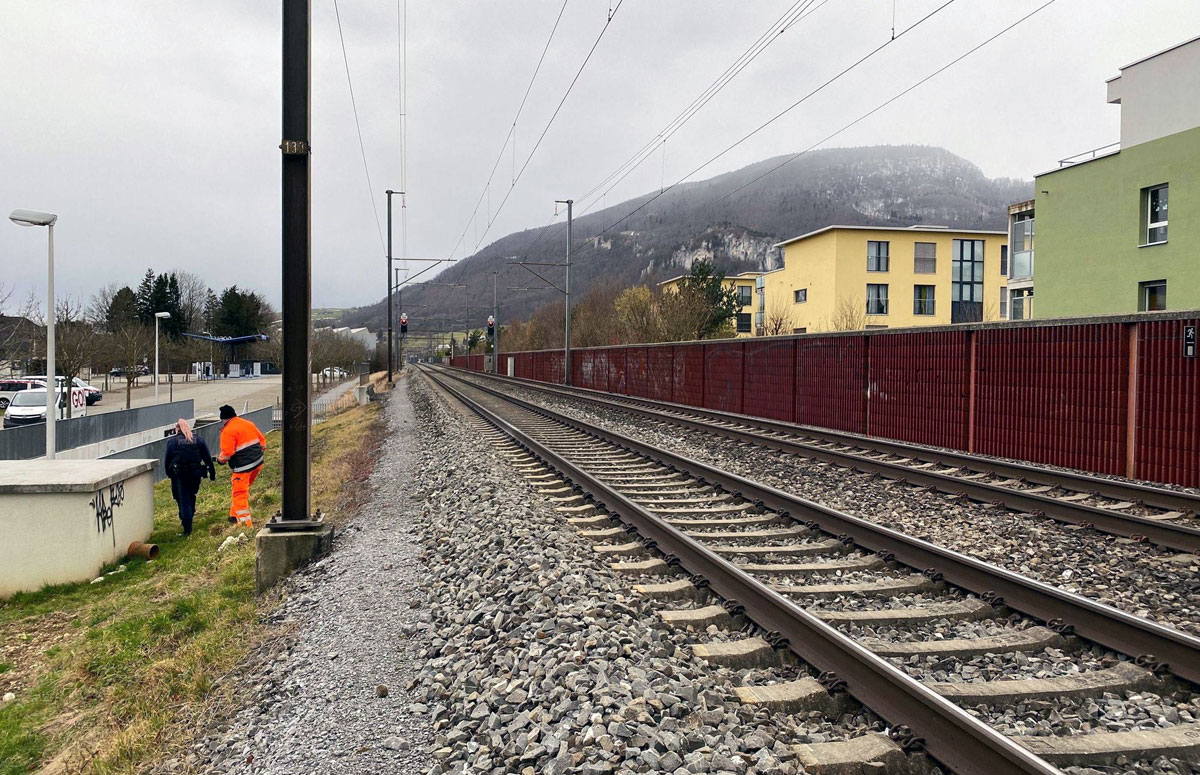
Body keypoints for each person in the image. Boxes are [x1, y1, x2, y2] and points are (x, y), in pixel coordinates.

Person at [216, 405, 266, 528]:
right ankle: (233, 516)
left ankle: (245, 524)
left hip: (242, 468)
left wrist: (219, 460)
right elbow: (263, 443)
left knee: (239, 494)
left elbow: (227, 453)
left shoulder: (227, 431)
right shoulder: (248, 424)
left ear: (223, 419)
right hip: (257, 463)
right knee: (242, 490)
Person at [164, 418, 216, 536]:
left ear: (177, 429)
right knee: (191, 496)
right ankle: (190, 514)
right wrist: (212, 473)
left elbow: (167, 460)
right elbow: (207, 458)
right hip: (195, 474)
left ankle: (187, 528)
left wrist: (169, 474)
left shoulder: (173, 442)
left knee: (183, 500)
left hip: (180, 476)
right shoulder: (198, 440)